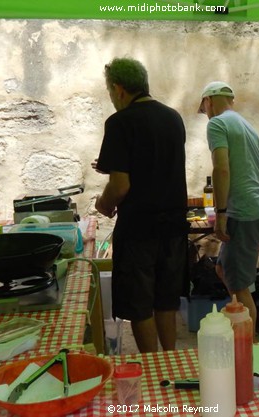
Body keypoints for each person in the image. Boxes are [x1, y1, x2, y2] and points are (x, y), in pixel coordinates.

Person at [94, 57, 189, 353]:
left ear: (119, 89)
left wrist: (102, 203)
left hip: (139, 230)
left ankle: (151, 370)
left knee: (140, 305)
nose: (112, 100)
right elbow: (156, 165)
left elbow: (121, 186)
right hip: (174, 227)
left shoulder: (120, 122)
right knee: (165, 300)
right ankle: (170, 361)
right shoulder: (173, 117)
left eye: (110, 93)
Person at [198, 81, 259, 328]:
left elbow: (221, 168)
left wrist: (221, 214)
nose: (206, 113)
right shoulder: (247, 126)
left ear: (208, 101)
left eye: (204, 108)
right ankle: (236, 328)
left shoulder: (217, 123)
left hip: (244, 212)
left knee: (240, 288)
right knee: (223, 269)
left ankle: (247, 350)